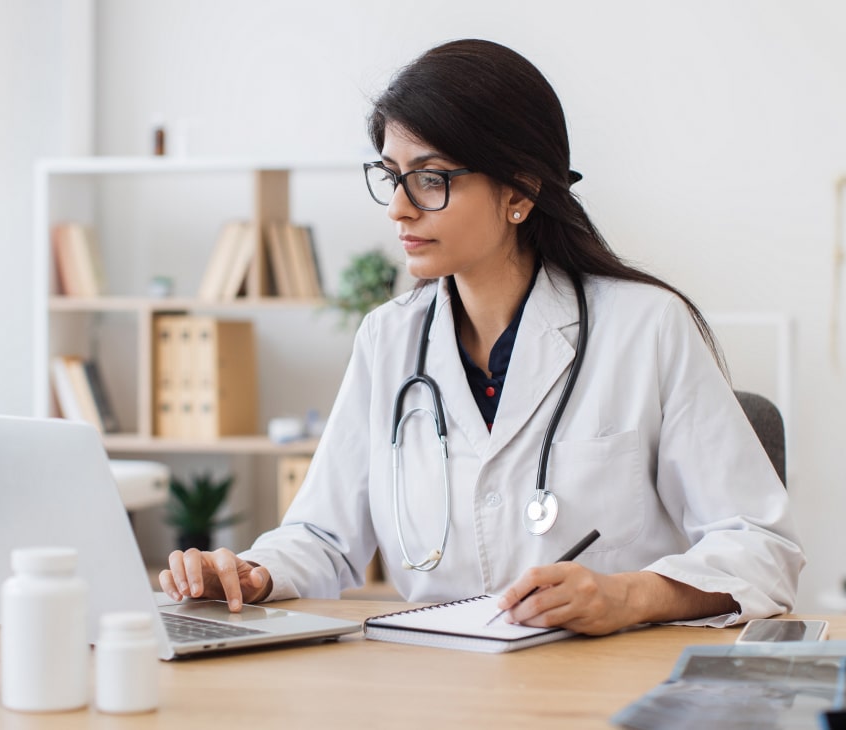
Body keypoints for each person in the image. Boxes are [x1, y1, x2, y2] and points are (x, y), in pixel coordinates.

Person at [160, 39, 803, 635]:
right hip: (441, 684)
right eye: (392, 175)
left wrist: (626, 595)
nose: (399, 207)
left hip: (606, 681)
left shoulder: (647, 327)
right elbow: (323, 537)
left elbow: (760, 545)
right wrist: (255, 574)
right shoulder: (388, 339)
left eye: (431, 178)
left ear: (520, 190)